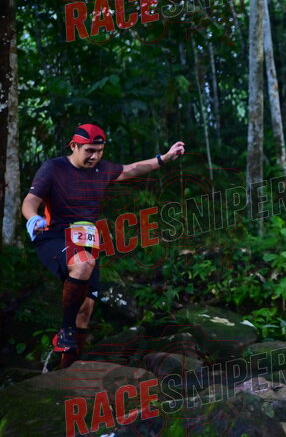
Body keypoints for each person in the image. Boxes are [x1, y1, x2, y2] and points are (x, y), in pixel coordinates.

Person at [21, 124, 185, 368]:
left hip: (86, 240)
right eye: (89, 150)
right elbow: (29, 201)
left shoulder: (102, 169)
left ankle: (67, 372)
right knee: (83, 264)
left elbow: (130, 169)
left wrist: (164, 158)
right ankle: (65, 329)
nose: (95, 156)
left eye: (99, 151)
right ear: (74, 146)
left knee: (85, 311)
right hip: (54, 236)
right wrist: (33, 218)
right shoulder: (54, 168)